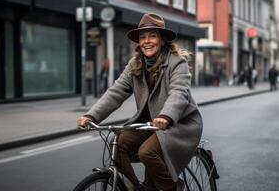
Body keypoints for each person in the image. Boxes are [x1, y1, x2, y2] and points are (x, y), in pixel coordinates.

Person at [77, 13, 203, 191]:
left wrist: (166, 116)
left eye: (152, 35)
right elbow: (116, 91)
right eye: (142, 37)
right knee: (118, 142)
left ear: (162, 40)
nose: (147, 41)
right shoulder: (135, 64)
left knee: (147, 152)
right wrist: (91, 115)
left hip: (177, 124)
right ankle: (137, 188)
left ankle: (171, 187)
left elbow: (179, 93)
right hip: (149, 124)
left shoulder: (176, 62)